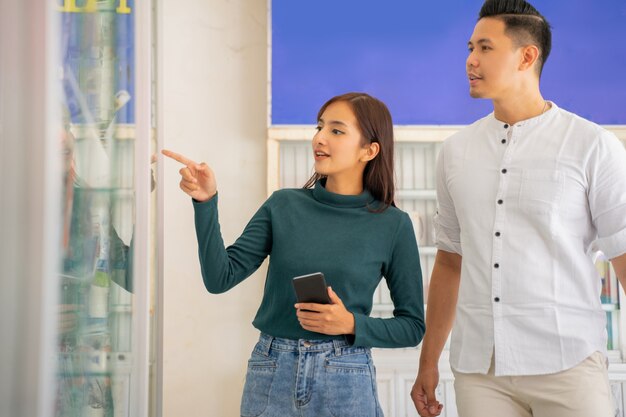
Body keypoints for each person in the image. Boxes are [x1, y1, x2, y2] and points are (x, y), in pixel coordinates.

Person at [410, 1, 626, 416]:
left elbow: (622, 255)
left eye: (485, 48)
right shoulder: (455, 152)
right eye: (470, 48)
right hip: (480, 370)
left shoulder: (591, 145)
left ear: (527, 56)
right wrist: (428, 359)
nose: (471, 60)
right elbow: (450, 260)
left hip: (567, 363)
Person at [163, 92, 425, 417]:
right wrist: (206, 202)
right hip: (272, 369)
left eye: (336, 130)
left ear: (369, 150)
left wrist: (351, 323)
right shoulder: (283, 205)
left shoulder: (392, 225)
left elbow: (412, 326)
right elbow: (220, 278)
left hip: (345, 373)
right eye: (319, 127)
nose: (319, 138)